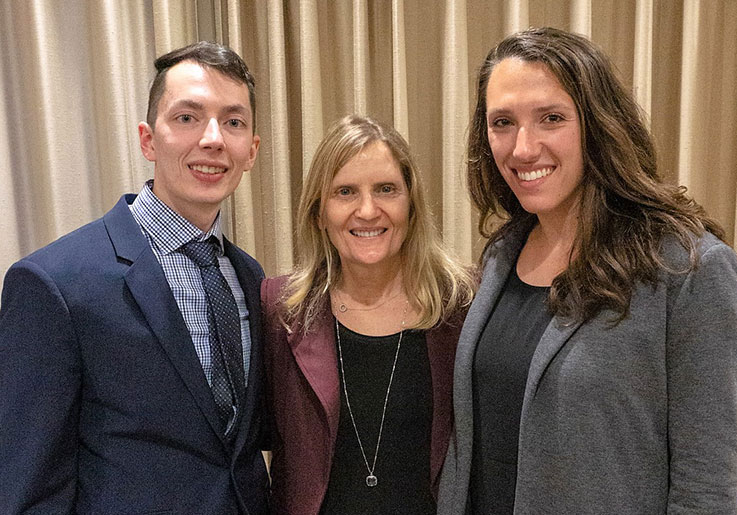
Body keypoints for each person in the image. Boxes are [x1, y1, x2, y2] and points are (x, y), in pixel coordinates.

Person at [437, 27, 737, 514]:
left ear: (597, 124)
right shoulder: (501, 255)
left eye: (551, 118)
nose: (523, 148)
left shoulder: (688, 271)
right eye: (502, 122)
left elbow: (710, 485)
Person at [0, 42, 269, 513]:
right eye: (187, 118)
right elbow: (27, 483)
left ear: (251, 150)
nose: (213, 139)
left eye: (233, 122)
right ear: (148, 139)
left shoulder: (249, 276)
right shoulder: (54, 283)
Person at [261, 114, 476, 514]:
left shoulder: (463, 303)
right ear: (319, 213)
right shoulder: (280, 309)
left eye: (386, 189)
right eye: (345, 192)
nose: (367, 210)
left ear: (411, 204)